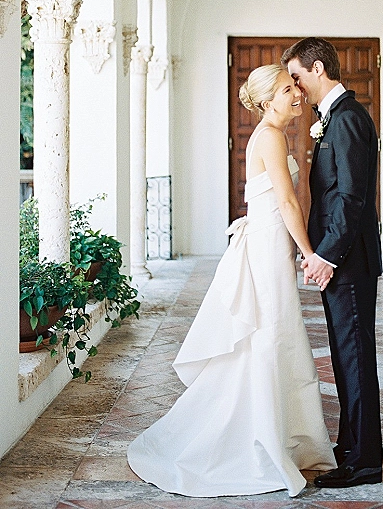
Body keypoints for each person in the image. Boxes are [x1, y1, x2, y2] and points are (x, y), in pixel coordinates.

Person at [127, 64, 335, 497]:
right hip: (267, 247)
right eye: (286, 90)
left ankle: (280, 436)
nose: (296, 93)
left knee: (272, 336)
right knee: (270, 334)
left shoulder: (270, 133)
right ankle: (264, 442)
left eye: (294, 86)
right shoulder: (271, 136)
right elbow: (286, 201)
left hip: (269, 242)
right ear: (267, 102)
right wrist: (309, 252)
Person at [282, 38, 383, 489]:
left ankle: (365, 462)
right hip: (343, 259)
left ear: (318, 68)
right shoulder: (335, 118)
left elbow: (351, 197)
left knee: (355, 359)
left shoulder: (347, 120)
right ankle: (351, 447)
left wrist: (326, 256)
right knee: (346, 358)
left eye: (298, 76)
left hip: (350, 261)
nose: (296, 87)